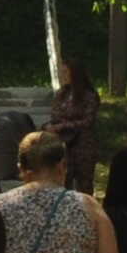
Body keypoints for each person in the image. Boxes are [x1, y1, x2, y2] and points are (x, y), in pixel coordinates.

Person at [47, 54, 101, 195]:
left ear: (75, 73)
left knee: (84, 185)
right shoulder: (62, 94)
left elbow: (88, 121)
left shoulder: (89, 95)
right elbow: (55, 114)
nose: (63, 75)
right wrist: (51, 127)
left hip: (83, 146)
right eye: (62, 72)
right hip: (64, 145)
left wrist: (63, 126)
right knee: (63, 183)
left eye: (66, 72)